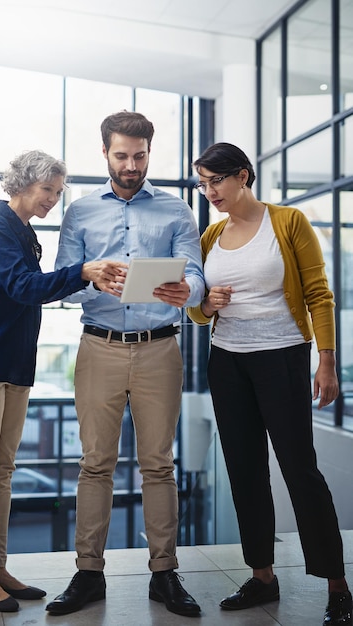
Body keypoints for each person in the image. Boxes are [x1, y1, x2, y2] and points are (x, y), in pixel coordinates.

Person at [0, 150, 126, 614]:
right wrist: (83, 271)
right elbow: (24, 287)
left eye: (58, 192)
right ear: (23, 184)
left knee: (2, 472)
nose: (53, 199)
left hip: (13, 364)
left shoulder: (25, 234)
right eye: (48, 190)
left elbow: (37, 289)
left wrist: (87, 280)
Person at [45, 111, 205, 618]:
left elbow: (196, 272)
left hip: (161, 347)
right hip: (99, 347)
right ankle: (89, 573)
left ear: (149, 152)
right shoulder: (80, 211)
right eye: (122, 156)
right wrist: (91, 276)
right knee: (96, 465)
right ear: (105, 153)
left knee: (158, 465)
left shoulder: (176, 209)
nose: (131, 165)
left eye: (139, 156)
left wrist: (189, 290)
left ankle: (165, 574)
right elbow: (63, 281)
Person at [186, 142, 352, 626]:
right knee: (244, 471)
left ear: (243, 176)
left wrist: (327, 362)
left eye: (215, 180)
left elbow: (320, 294)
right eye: (202, 182)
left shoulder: (288, 222)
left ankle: (337, 585)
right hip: (228, 363)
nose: (209, 191)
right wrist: (206, 306)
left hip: (282, 358)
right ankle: (262, 576)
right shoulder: (209, 237)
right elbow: (197, 308)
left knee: (301, 471)